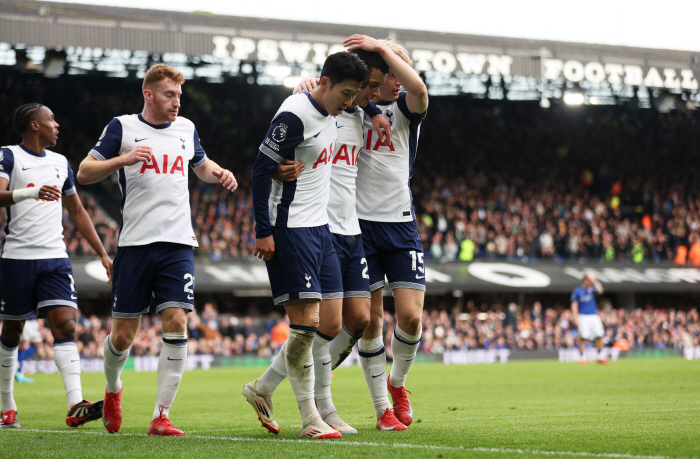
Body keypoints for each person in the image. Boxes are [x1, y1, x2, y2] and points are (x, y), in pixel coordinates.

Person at [76, 64, 237, 436]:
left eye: (179, 95)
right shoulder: (122, 127)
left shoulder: (186, 129)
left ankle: (161, 415)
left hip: (179, 242)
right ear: (148, 94)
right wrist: (123, 159)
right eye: (169, 94)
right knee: (122, 336)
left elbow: (201, 165)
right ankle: (113, 390)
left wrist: (220, 172)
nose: (176, 101)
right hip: (134, 244)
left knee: (178, 321)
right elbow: (84, 172)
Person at [242, 52, 368, 439]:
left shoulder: (334, 113)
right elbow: (259, 171)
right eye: (345, 93)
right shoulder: (294, 114)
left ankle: (263, 388)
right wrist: (264, 231)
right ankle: (312, 417)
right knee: (305, 326)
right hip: (290, 227)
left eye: (354, 96)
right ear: (324, 82)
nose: (349, 103)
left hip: (322, 230)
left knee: (330, 323)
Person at [0, 103, 113, 429]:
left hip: (55, 257)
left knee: (65, 326)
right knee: (12, 331)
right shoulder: (9, 156)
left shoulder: (61, 162)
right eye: (51, 119)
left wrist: (103, 253)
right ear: (34, 125)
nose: (57, 124)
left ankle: (75, 403)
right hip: (18, 257)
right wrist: (32, 192)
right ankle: (7, 405)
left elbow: (77, 213)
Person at [343, 35, 429, 429]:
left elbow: (419, 88)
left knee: (410, 317)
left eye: (397, 71)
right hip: (359, 226)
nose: (393, 80)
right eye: (386, 74)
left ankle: (397, 384)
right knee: (372, 320)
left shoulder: (408, 110)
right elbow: (326, 86)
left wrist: (382, 46)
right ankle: (383, 410)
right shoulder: (355, 105)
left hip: (400, 223)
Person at [570, 272, 609, 365]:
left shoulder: (592, 288)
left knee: (600, 334)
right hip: (583, 316)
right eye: (590, 281)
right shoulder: (577, 291)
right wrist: (575, 317)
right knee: (583, 337)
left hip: (593, 315)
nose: (591, 282)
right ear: (585, 280)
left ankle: (599, 356)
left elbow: (601, 290)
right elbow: (574, 305)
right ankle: (583, 357)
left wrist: (594, 280)